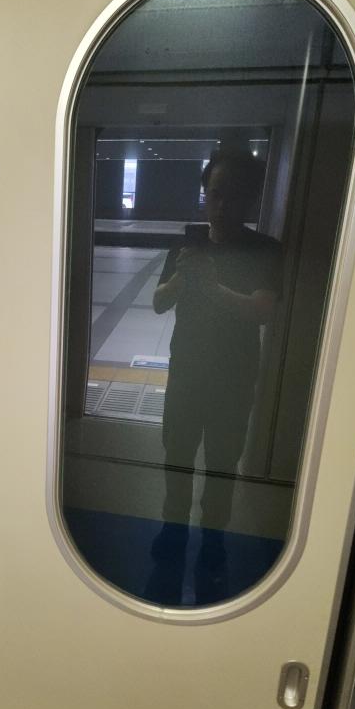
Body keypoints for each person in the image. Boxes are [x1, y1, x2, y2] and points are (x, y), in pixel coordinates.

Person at [146, 148, 283, 605]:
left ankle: (213, 537)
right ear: (205, 193)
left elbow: (262, 309)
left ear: (251, 199)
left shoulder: (265, 250)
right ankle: (173, 529)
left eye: (235, 196)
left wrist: (213, 287)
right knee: (177, 458)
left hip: (234, 379)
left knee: (223, 464)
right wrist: (182, 280)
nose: (223, 205)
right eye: (216, 193)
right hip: (186, 373)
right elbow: (158, 303)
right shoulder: (185, 248)